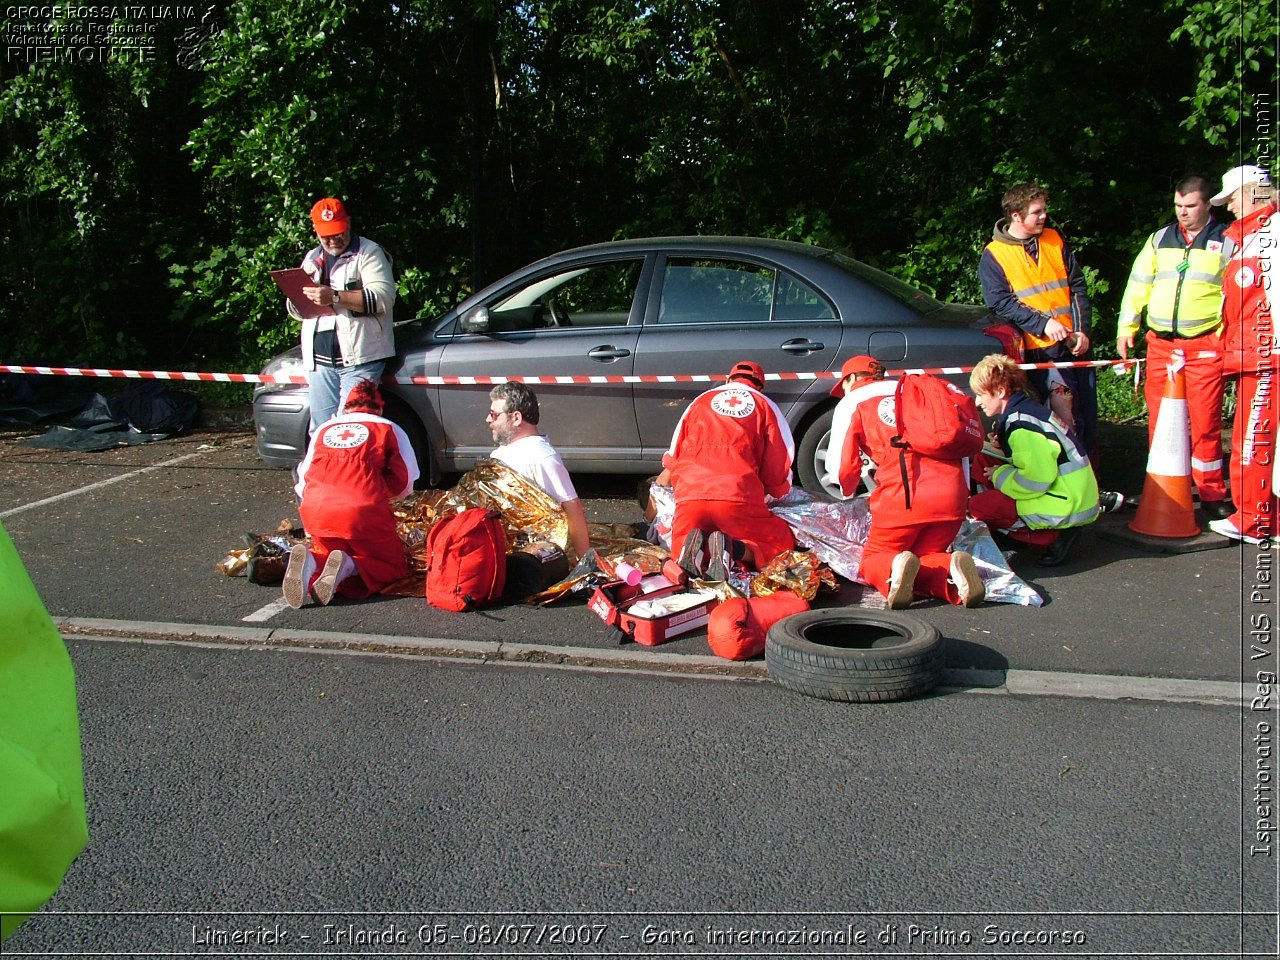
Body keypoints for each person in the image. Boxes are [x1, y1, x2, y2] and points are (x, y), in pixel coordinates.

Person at [1117, 174, 1236, 519]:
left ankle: (1212, 494)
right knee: (1161, 422)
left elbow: (1236, 297)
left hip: (1204, 345)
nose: (1182, 212)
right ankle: (1161, 486)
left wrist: (1224, 338)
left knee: (1204, 423)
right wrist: (1127, 327)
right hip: (1161, 346)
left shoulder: (1227, 242)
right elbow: (1137, 286)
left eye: (1190, 206)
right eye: (1178, 205)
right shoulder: (1159, 240)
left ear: (1208, 204)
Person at [825, 356, 984, 608]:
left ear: (852, 379)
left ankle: (893, 567)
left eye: (843, 385)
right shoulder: (917, 393)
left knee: (874, 558)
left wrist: (847, 491)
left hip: (905, 493)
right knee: (927, 556)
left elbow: (839, 468)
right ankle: (950, 568)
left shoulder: (853, 401)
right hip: (952, 494)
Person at [979, 183, 1098, 459]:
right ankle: (1071, 478)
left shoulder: (1054, 239)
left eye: (1044, 210)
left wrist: (1081, 331)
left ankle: (1091, 481)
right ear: (1016, 216)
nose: (1044, 216)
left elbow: (1077, 286)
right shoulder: (994, 255)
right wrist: (1044, 324)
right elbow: (1000, 301)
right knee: (1062, 418)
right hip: (1040, 350)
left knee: (1086, 420)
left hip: (1074, 345)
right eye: (1037, 212)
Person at [284, 379, 419, 608]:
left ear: (346, 407)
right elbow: (403, 482)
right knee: (393, 566)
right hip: (363, 511)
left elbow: (304, 475)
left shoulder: (324, 429)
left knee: (329, 552)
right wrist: (380, 492)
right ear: (380, 407)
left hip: (316, 511)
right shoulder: (388, 428)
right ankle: (351, 566)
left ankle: (312, 562)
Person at [658, 360, 795, 580]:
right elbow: (778, 467)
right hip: (737, 497)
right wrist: (775, 490)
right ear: (760, 385)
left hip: (690, 497)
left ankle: (694, 553)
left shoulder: (699, 402)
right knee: (777, 541)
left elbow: (673, 457)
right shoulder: (766, 405)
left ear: (727, 379)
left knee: (682, 539)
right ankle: (733, 549)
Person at [968, 355, 1100, 566]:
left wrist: (999, 475)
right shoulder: (1025, 411)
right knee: (984, 458)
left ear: (1000, 391)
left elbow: (1034, 481)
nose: (977, 402)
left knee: (979, 506)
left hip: (1065, 505)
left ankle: (1052, 537)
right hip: (1071, 493)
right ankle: (1007, 529)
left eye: (981, 394)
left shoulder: (1021, 426)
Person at [1209, 164, 1277, 544]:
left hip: (1265, 355)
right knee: (1252, 437)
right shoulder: (1252, 237)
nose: (1230, 206)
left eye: (1233, 197)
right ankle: (1258, 514)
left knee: (1255, 439)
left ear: (1253, 192)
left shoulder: (1269, 235)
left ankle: (1255, 518)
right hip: (1252, 353)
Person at [288, 197, 397, 435]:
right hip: (320, 360)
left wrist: (334, 297)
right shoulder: (311, 258)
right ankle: (319, 472)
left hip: (360, 358)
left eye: (338, 231)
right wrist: (297, 299)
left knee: (351, 428)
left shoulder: (369, 252)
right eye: (326, 234)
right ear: (315, 230)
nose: (334, 239)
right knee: (320, 431)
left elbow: (383, 299)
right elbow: (296, 310)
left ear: (348, 222)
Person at [486, 382, 591, 562]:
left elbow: (573, 508)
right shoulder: (505, 450)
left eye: (494, 415)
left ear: (516, 418)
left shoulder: (542, 458)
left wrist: (586, 565)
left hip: (528, 554)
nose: (488, 420)